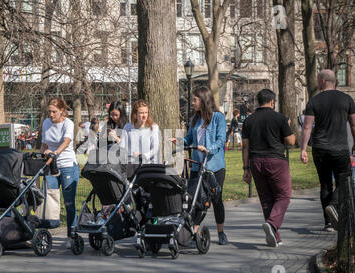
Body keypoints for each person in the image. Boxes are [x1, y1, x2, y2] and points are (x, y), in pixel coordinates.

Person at [169, 86, 228, 245]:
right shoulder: (194, 119)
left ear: (203, 100)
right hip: (196, 166)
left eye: (195, 99)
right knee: (194, 199)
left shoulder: (218, 118)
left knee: (216, 199)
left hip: (214, 167)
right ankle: (193, 232)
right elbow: (189, 138)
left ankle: (221, 232)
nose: (192, 102)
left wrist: (209, 149)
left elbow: (221, 140)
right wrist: (180, 142)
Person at [300, 69, 355, 232]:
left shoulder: (314, 101)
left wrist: (303, 149)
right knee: (343, 182)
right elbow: (353, 124)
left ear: (323, 81)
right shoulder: (347, 99)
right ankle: (334, 206)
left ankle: (328, 223)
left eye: (318, 79)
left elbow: (307, 127)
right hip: (340, 148)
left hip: (320, 148)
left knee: (325, 185)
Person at [241, 89, 295, 247]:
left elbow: (245, 146)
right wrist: (287, 126)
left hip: (256, 162)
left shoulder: (249, 120)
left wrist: (246, 169)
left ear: (258, 102)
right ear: (272, 102)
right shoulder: (279, 118)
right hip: (276, 161)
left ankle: (275, 237)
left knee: (266, 200)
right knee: (283, 196)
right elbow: (291, 141)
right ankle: (272, 224)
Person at [41, 98, 79, 248]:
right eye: (49, 111)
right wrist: (43, 154)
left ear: (62, 111)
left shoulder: (68, 123)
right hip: (51, 165)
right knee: (48, 201)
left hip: (67, 165)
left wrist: (55, 153)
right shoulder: (46, 123)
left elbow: (67, 141)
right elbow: (44, 144)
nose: (51, 114)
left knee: (69, 203)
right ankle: (44, 235)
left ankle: (72, 234)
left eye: (54, 111)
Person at [120, 99, 161, 176]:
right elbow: (122, 147)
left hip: (147, 167)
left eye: (146, 112)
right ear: (135, 114)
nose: (144, 115)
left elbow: (155, 148)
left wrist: (143, 156)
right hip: (130, 165)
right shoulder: (127, 127)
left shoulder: (153, 127)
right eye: (141, 113)